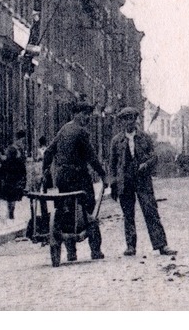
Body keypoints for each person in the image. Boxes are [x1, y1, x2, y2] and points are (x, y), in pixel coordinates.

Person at [42, 101, 107, 262]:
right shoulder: (81, 132)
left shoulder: (63, 129)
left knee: (67, 211)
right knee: (89, 210)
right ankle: (95, 250)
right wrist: (103, 175)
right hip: (79, 177)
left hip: (63, 178)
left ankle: (71, 252)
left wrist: (45, 171)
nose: (87, 118)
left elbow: (49, 151)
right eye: (84, 114)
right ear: (76, 114)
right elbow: (91, 157)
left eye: (89, 115)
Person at [109, 106, 177, 257]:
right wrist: (113, 184)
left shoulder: (144, 137)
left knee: (151, 211)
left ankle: (161, 245)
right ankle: (131, 246)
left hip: (142, 180)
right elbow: (112, 164)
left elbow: (154, 156)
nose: (129, 122)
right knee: (128, 214)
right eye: (125, 119)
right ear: (122, 122)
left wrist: (146, 164)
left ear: (136, 120)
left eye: (131, 118)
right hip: (125, 181)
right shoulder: (116, 141)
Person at [0, 130, 28, 219]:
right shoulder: (15, 149)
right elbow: (20, 165)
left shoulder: (13, 148)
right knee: (12, 195)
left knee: (11, 196)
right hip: (14, 175)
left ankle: (11, 211)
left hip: (11, 175)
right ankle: (11, 211)